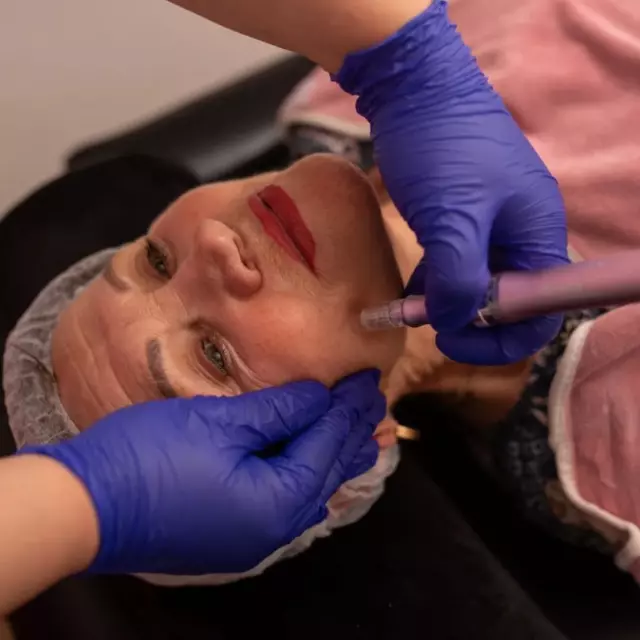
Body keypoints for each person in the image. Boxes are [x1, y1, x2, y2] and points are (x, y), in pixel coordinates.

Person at [0, 0, 567, 615]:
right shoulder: (610, 442)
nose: (212, 244)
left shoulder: (335, 79)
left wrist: (404, 59)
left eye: (157, 260)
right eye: (215, 354)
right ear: (354, 443)